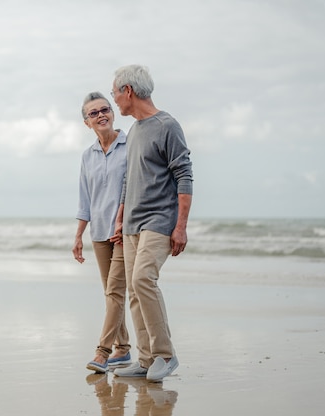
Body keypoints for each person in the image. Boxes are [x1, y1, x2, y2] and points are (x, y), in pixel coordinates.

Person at [108, 65, 193, 382]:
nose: (115, 100)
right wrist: (119, 218)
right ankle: (145, 360)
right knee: (133, 289)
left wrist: (181, 225)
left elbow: (183, 174)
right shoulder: (133, 133)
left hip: (159, 221)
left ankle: (165, 355)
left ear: (128, 90)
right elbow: (128, 179)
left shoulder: (167, 125)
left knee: (144, 279)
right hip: (131, 223)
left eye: (116, 93)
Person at [73, 91, 132, 374]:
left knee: (115, 292)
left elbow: (135, 188)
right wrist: (78, 236)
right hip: (98, 232)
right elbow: (85, 198)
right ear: (87, 123)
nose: (101, 115)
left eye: (104, 109)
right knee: (111, 293)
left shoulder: (130, 145)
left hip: (124, 231)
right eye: (93, 113)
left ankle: (103, 352)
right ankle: (123, 348)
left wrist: (127, 221)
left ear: (113, 113)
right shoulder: (88, 156)